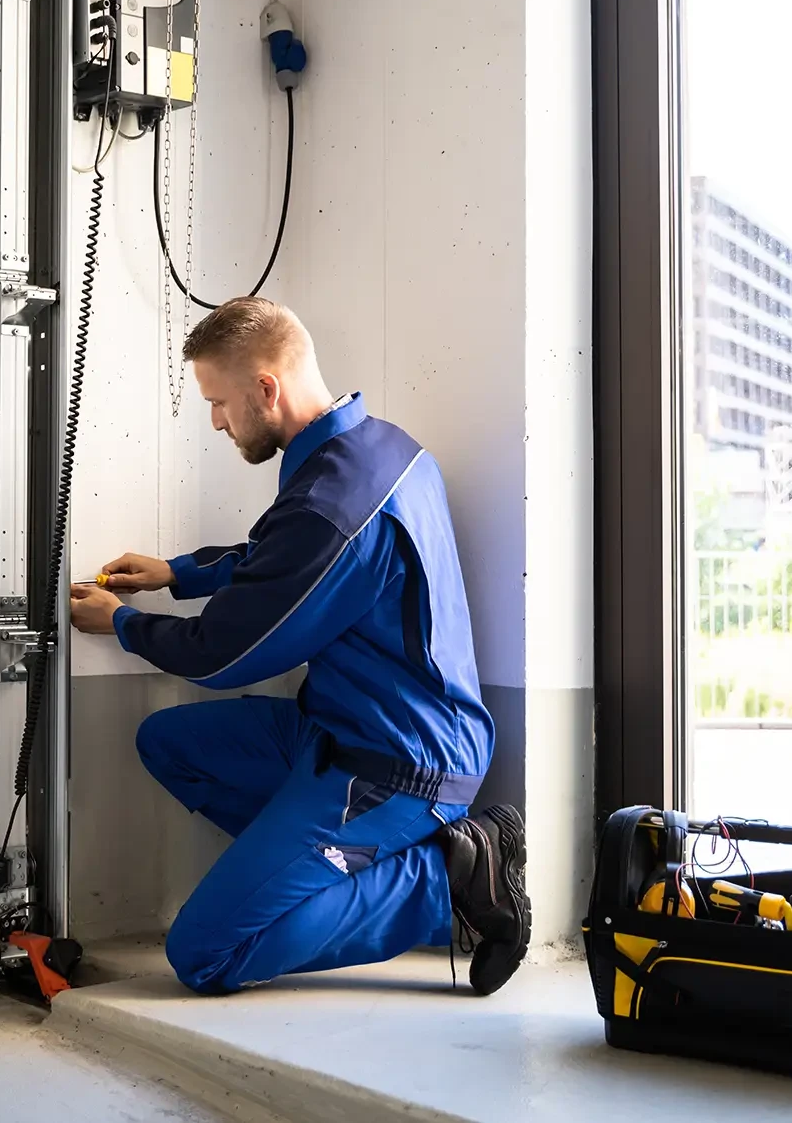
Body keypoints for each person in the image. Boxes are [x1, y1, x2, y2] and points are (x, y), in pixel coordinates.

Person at [67, 297, 530, 996]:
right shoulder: (378, 449)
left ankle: (446, 880)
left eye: (219, 402)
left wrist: (124, 624)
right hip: (339, 729)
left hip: (400, 766)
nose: (217, 421)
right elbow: (280, 558)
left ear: (265, 388)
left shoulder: (335, 506)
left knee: (204, 954)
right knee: (169, 743)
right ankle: (323, 874)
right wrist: (177, 573)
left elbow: (221, 656)